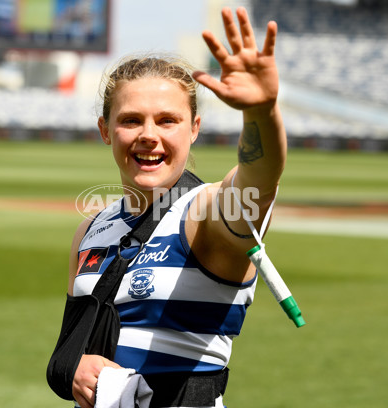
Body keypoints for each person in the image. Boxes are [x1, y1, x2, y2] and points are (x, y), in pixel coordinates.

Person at [62, 6, 286, 408]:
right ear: (105, 130)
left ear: (194, 129)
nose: (149, 135)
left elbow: (260, 177)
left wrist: (261, 113)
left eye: (168, 120)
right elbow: (75, 345)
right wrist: (76, 369)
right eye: (131, 120)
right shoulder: (91, 229)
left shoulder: (206, 215)